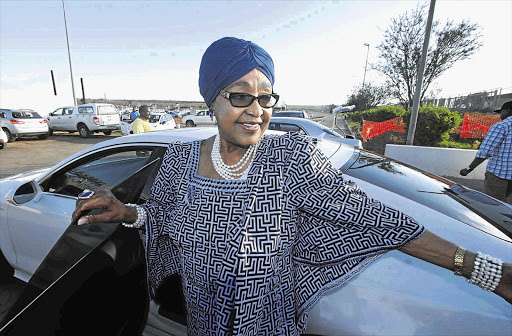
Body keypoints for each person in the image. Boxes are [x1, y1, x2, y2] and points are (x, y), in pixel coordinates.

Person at [73, 37, 511, 335]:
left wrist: (481, 268)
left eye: (266, 97)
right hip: (201, 321)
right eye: (240, 95)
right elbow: (167, 217)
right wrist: (128, 212)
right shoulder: (180, 163)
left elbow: (379, 221)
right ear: (211, 100)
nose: (257, 110)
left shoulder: (291, 159)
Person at [460, 101, 512, 203]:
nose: (500, 115)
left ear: (507, 111)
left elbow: (485, 152)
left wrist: (468, 169)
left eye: (501, 112)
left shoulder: (501, 126)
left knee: (494, 206)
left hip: (499, 176)